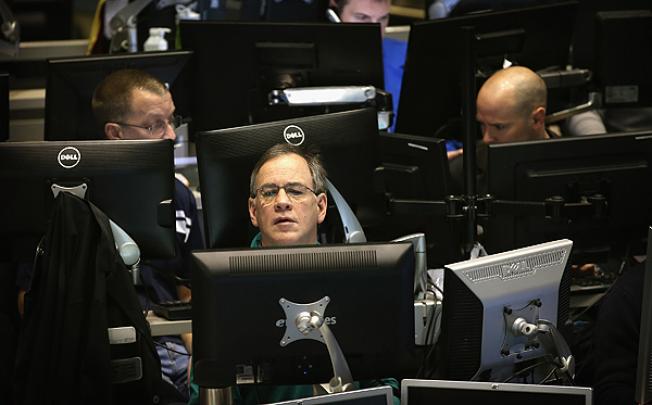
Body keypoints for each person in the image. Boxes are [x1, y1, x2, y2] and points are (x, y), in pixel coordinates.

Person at [188, 143, 399, 404]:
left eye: (296, 191)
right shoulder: (221, 286)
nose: (282, 202)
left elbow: (387, 384)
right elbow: (205, 393)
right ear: (254, 211)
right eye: (269, 192)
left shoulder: (355, 279)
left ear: (321, 207)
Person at [92, 68, 203, 400]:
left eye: (172, 121)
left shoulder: (178, 195)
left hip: (173, 341)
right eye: (155, 125)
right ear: (115, 133)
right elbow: (31, 301)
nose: (171, 135)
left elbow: (190, 290)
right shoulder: (73, 202)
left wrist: (200, 354)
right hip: (102, 346)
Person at [330, 0, 407, 132]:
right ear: (335, 14)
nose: (376, 29)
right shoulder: (316, 60)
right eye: (362, 17)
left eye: (383, 18)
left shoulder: (409, 53)